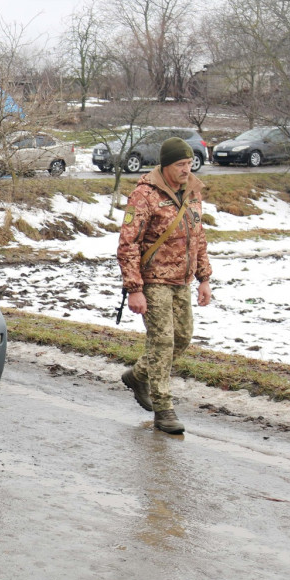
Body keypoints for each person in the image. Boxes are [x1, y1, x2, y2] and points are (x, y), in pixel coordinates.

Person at [118, 137, 213, 435]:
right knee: (162, 341)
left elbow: (198, 238)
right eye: (180, 165)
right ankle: (164, 409)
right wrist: (134, 288)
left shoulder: (193, 191)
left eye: (189, 164)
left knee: (182, 337)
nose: (187, 169)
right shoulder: (144, 195)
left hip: (181, 281)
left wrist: (204, 279)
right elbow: (128, 243)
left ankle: (138, 375)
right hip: (153, 281)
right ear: (166, 165)